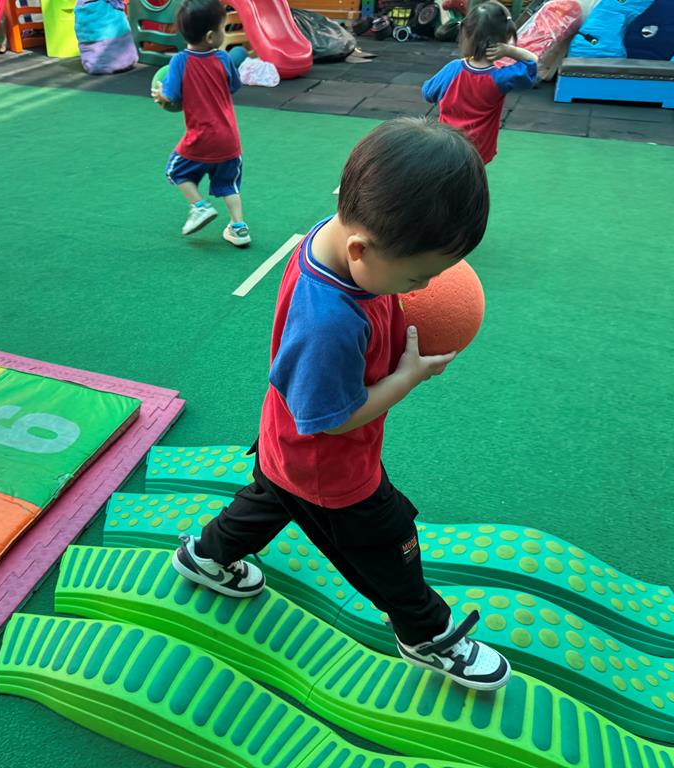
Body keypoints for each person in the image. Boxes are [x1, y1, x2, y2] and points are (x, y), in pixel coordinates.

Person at [170, 118, 511, 691]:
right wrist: (407, 378)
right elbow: (332, 419)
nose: (422, 289)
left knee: (273, 495)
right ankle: (425, 633)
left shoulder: (336, 236)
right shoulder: (329, 321)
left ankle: (205, 556)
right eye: (417, 276)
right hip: (330, 467)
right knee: (387, 543)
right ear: (360, 249)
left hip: (285, 442)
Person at [152, 0, 249, 247]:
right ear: (210, 37)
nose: (224, 34)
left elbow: (172, 97)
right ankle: (239, 227)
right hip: (229, 140)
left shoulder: (180, 61)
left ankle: (200, 206)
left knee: (175, 171)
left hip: (201, 137)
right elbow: (234, 86)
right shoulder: (224, 58)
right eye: (223, 29)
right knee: (229, 185)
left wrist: (161, 95)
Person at [422, 0, 537, 164]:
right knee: (473, 177)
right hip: (480, 150)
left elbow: (428, 93)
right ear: (505, 38)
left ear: (465, 33)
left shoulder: (453, 69)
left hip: (449, 146)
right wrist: (510, 51)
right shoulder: (501, 78)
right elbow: (532, 63)